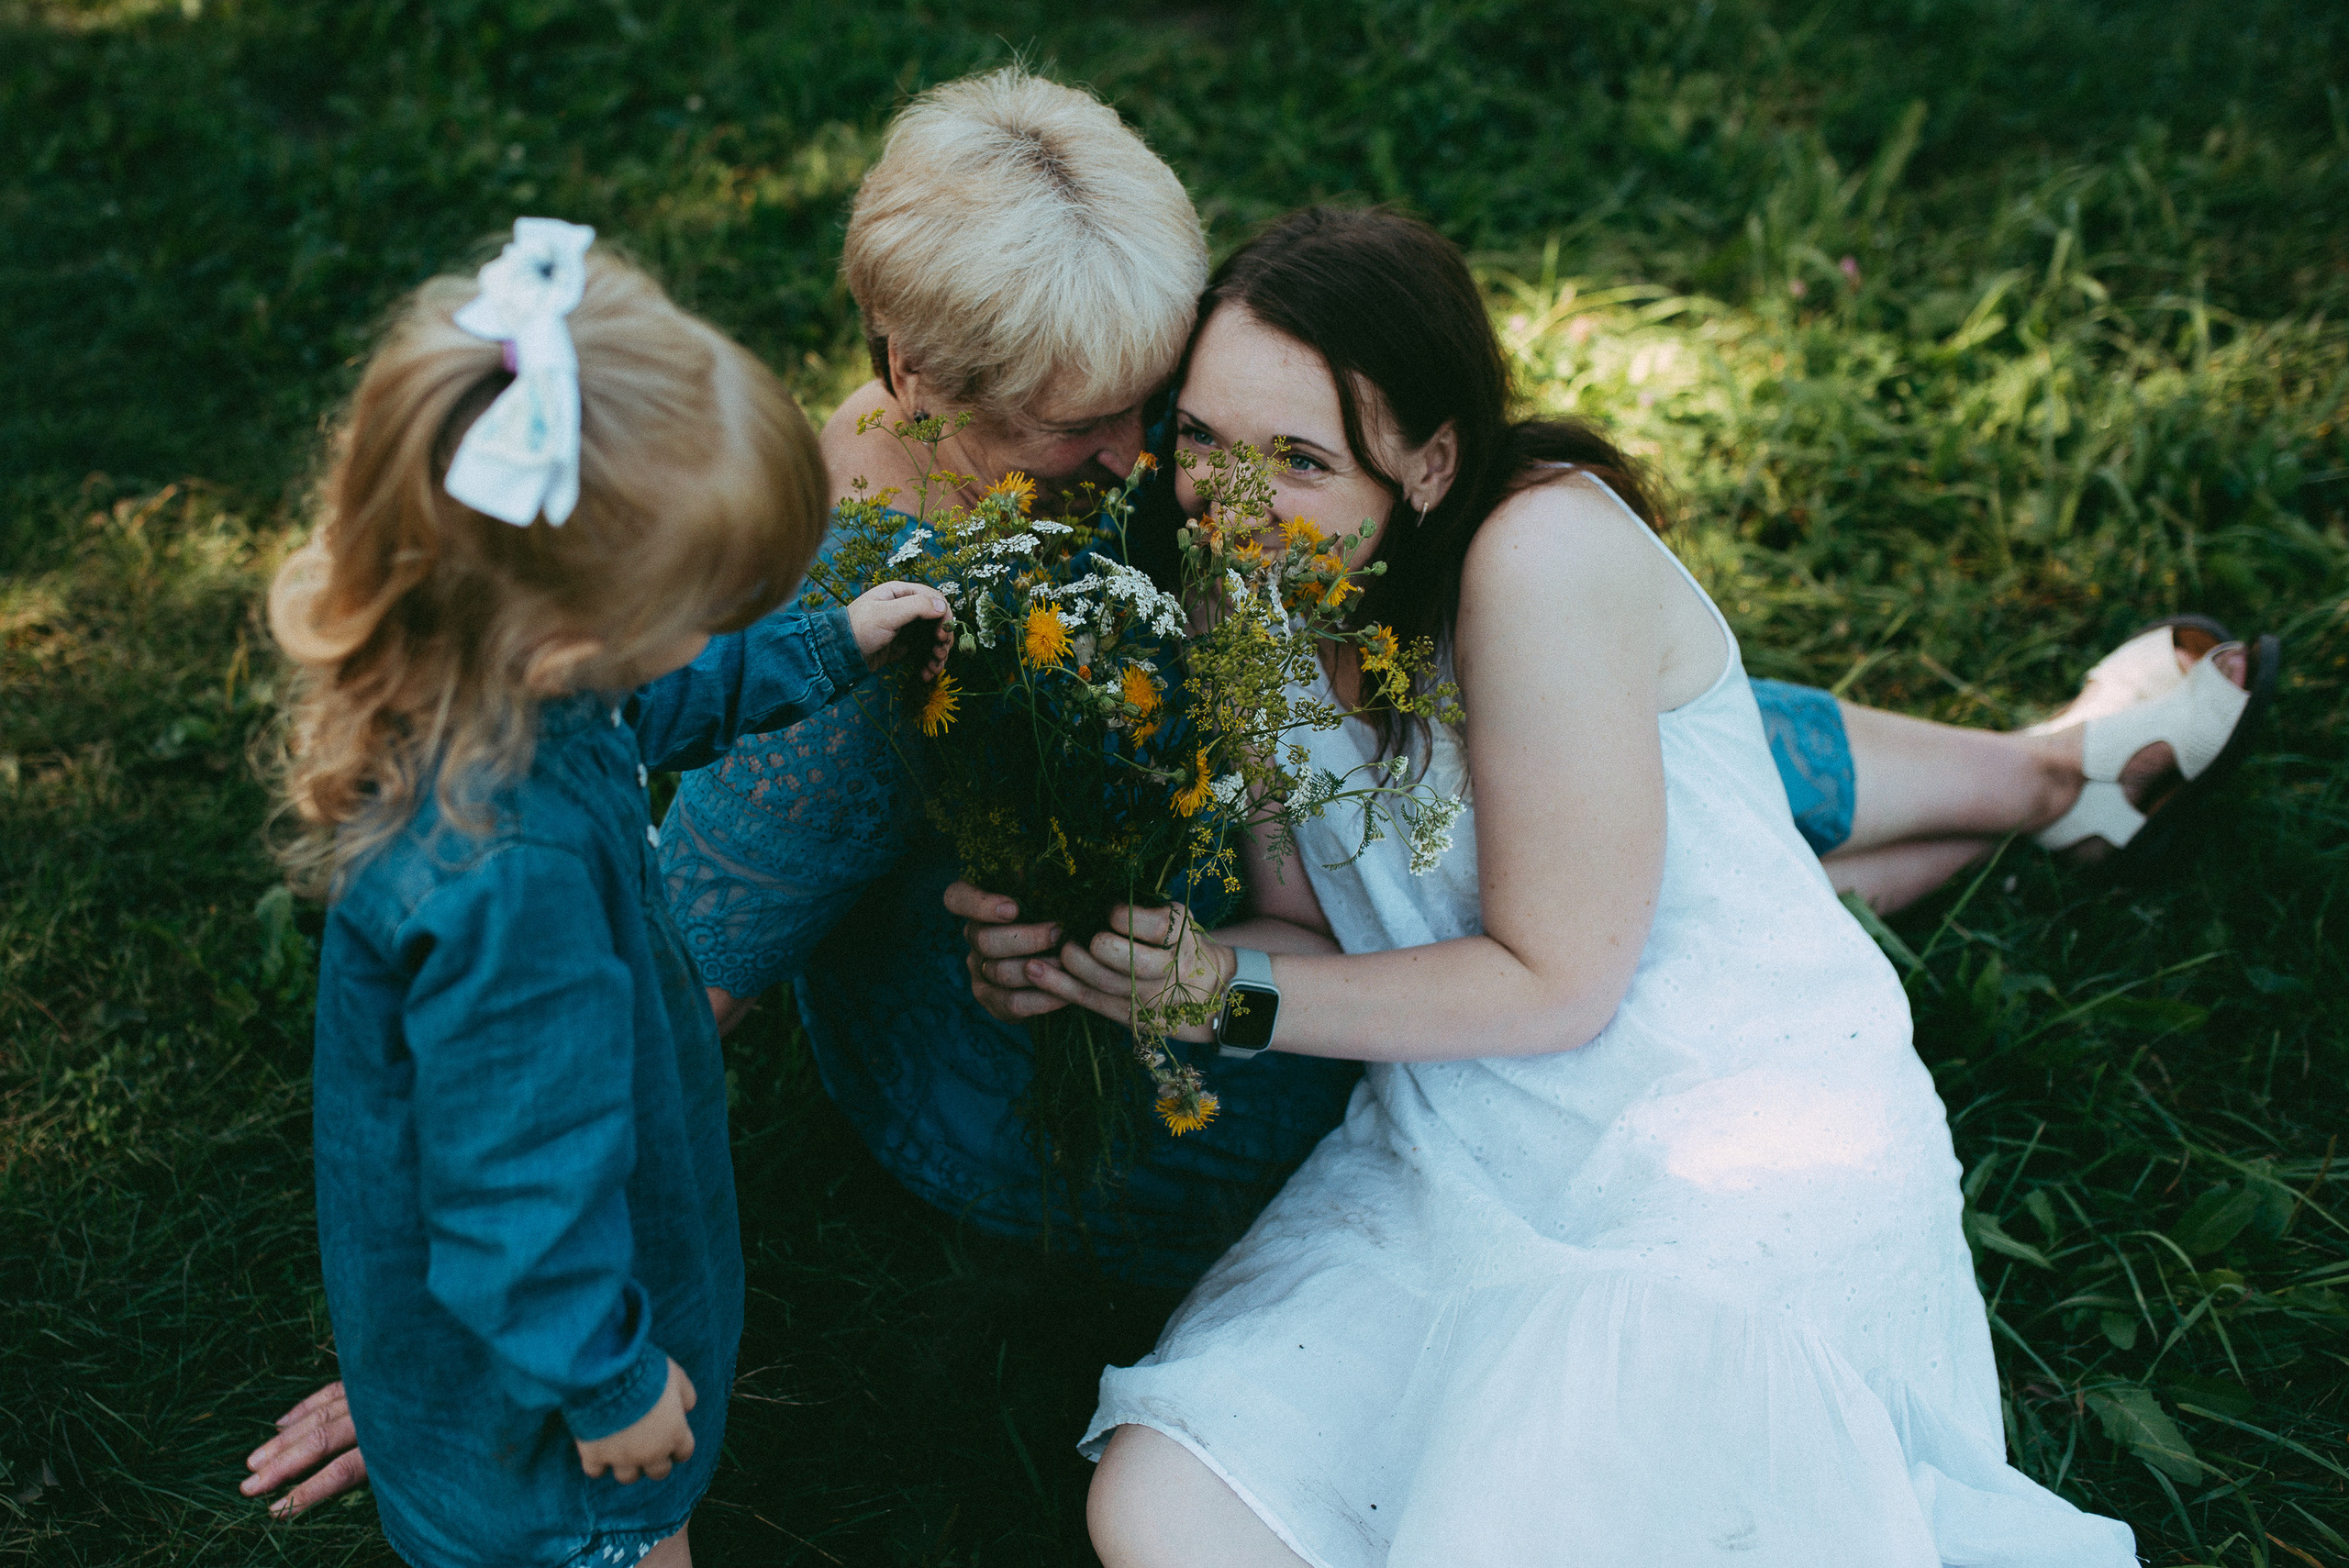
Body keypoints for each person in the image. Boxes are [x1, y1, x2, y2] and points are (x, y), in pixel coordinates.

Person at [246, 65, 2275, 1517]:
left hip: (1298, 912)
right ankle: (1943, 831)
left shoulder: (1102, 446)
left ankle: (2026, 779)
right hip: (1081, 1052)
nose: (1155, 464)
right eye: (1102, 421)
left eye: (1176, 396)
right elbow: (660, 978)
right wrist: (479, 1320)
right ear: (914, 367)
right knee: (1540, 858)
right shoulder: (818, 612)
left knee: (1544, 721)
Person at [1044, 206, 2190, 1567]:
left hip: (1710, 1134)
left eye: (1297, 458)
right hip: (1459, 1148)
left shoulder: (1536, 558)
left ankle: (2054, 777)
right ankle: (2048, 787)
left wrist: (1225, 999)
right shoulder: (1241, 584)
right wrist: (1125, 964)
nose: (1227, 502)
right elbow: (1308, 918)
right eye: (1206, 442)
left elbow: (1557, 978)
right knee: (1162, 1508)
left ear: (1429, 461)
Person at [256, 218, 947, 1565]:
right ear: (572, 630)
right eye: (709, 601)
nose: (720, 625)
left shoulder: (497, 689)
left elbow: (661, 700)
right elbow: (520, 1198)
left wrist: (828, 644)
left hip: (529, 1319)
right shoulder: (514, 891)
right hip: (543, 1417)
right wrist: (614, 1386)